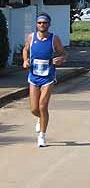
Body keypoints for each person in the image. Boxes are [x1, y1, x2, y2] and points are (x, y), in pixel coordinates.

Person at [22, 13, 66, 147]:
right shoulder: (31, 37)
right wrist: (25, 60)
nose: (42, 25)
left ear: (49, 24)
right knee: (34, 109)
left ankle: (42, 136)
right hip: (34, 76)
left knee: (42, 106)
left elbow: (63, 53)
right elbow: (25, 49)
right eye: (40, 22)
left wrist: (60, 59)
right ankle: (40, 119)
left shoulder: (54, 39)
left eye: (45, 23)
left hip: (48, 77)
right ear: (37, 24)